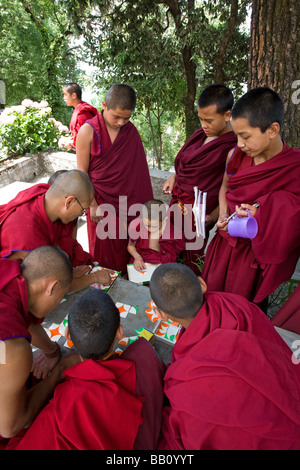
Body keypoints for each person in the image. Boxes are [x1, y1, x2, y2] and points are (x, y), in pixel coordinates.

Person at [149, 263, 300, 450]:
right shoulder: (238, 305)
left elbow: (192, 434)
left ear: (162, 314)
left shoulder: (186, 384)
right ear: (202, 284)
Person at [7, 289, 165, 450]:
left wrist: (60, 369)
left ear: (67, 334)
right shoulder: (143, 360)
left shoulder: (64, 396)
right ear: (120, 332)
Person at [201, 87, 300, 308]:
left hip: (254, 256)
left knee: (243, 313)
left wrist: (264, 215)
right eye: (236, 135)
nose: (240, 144)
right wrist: (223, 215)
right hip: (224, 245)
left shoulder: (294, 166)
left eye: (245, 136)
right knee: (211, 305)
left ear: (273, 129)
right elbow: (225, 187)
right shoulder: (234, 155)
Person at [0, 246, 81, 444]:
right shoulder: (14, 350)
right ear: (52, 287)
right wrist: (59, 370)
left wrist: (52, 351)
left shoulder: (8, 271)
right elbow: (9, 427)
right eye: (60, 296)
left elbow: (21, 317)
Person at [76, 83, 153, 273]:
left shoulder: (131, 131)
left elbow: (138, 173)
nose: (120, 123)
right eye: (116, 116)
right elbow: (82, 172)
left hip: (129, 203)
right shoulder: (88, 131)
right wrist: (92, 204)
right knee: (103, 252)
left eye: (126, 118)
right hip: (100, 200)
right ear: (104, 105)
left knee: (127, 247)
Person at [162, 84, 237, 274]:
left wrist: (213, 216)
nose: (204, 125)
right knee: (168, 248)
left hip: (199, 216)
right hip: (177, 204)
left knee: (190, 260)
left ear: (227, 116)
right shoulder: (200, 135)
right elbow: (186, 163)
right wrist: (174, 176)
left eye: (209, 120)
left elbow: (230, 189)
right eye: (201, 119)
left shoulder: (233, 146)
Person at [0, 169, 112, 292]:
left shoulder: (46, 195)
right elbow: (57, 286)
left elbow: (63, 246)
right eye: (83, 210)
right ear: (69, 202)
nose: (82, 214)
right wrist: (93, 278)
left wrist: (67, 268)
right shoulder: (26, 232)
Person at [127, 199, 185, 271]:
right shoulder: (136, 225)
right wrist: (137, 257)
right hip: (141, 259)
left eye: (155, 226)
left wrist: (165, 263)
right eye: (146, 225)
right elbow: (130, 246)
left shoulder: (173, 232)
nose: (150, 229)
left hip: (162, 262)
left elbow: (176, 251)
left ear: (165, 220)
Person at [61, 83, 99, 150]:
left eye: (65, 94)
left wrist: (72, 143)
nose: (64, 98)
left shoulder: (83, 113)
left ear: (74, 95)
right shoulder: (79, 109)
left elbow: (89, 138)